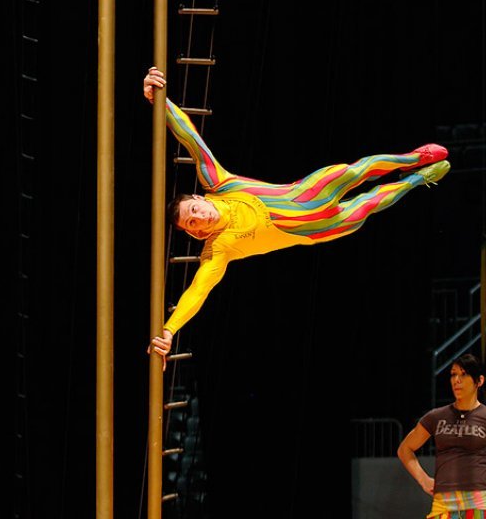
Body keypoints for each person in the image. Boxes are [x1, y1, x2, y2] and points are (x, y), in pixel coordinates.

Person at [143, 67, 451, 367]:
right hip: (321, 228)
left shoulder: (220, 185)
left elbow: (192, 141)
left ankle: (412, 159)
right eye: (192, 223)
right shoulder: (218, 249)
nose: (199, 218)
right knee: (370, 204)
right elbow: (198, 290)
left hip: (310, 191)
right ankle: (415, 180)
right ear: (195, 233)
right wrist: (169, 330)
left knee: (359, 169)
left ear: (199, 198)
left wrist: (161, 100)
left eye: (193, 210)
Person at [397, 353, 486, 516]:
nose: (456, 380)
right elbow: (405, 449)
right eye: (453, 374)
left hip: (479, 504)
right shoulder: (436, 417)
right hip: (442, 505)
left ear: (479, 381)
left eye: (464, 374)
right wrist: (423, 479)